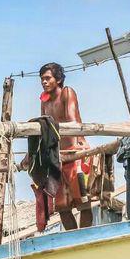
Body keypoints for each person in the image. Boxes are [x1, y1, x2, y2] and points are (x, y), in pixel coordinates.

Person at [35, 62, 92, 231]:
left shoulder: (67, 92)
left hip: (75, 153)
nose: (44, 82)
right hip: (57, 157)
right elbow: (43, 128)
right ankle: (73, 238)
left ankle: (85, 237)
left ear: (58, 79)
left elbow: (72, 120)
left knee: (83, 200)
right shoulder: (44, 100)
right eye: (42, 79)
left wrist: (74, 153)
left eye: (47, 78)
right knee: (62, 206)